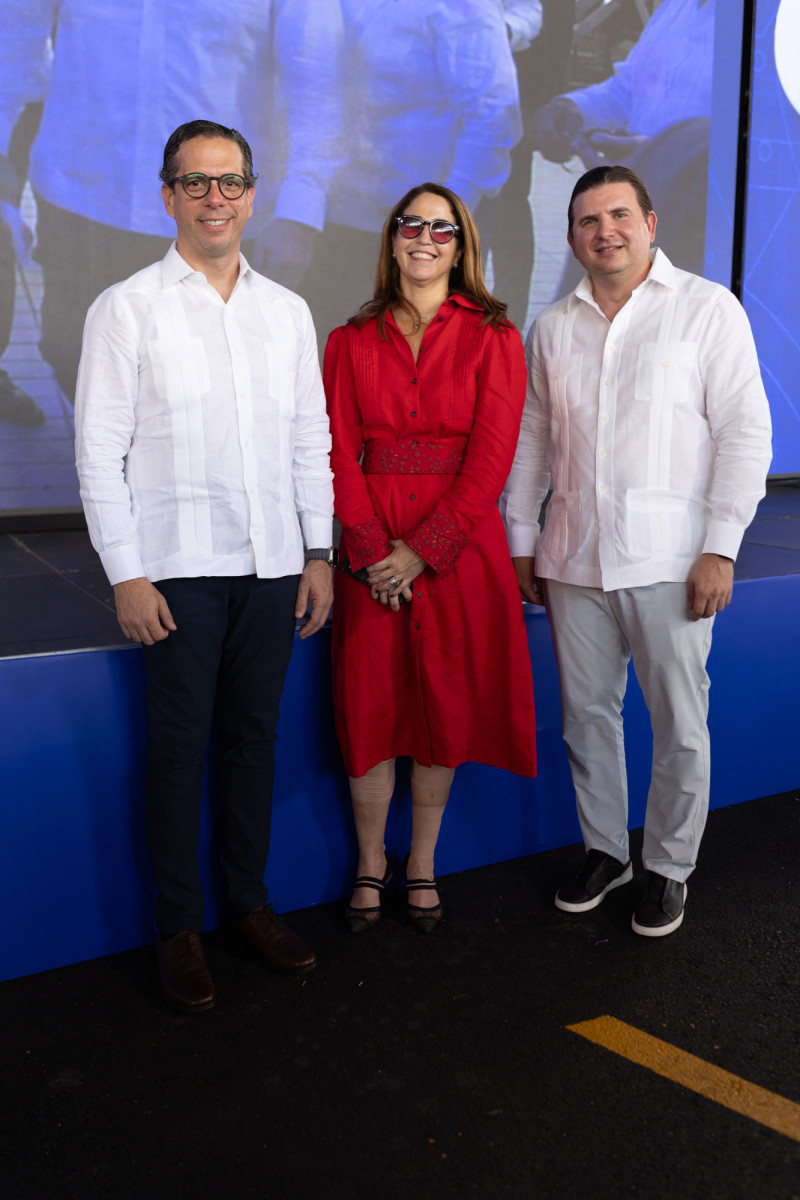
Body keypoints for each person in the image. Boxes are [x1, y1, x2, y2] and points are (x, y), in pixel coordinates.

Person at [74, 120, 335, 1011]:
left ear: (253, 195)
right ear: (168, 197)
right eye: (196, 185)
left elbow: (311, 442)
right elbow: (98, 452)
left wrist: (319, 551)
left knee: (252, 745)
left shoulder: (287, 311)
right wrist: (125, 572)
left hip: (270, 567)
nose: (215, 199)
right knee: (179, 755)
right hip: (175, 568)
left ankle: (249, 907)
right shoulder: (126, 307)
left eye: (230, 184)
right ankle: (179, 928)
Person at [502, 164, 772, 938]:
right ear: (572, 236)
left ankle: (667, 866)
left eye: (619, 215)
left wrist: (721, 547)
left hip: (671, 559)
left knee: (679, 723)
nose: (604, 231)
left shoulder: (706, 311)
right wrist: (524, 540)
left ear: (651, 223)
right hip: (573, 559)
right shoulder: (552, 327)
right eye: (588, 221)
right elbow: (533, 446)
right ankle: (604, 850)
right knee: (586, 718)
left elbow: (746, 435)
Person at [324, 182, 536, 936]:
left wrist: (425, 550)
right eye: (410, 224)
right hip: (372, 547)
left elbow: (493, 456)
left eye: (441, 229)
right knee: (370, 703)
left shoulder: (495, 335)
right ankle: (368, 862)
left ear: (461, 244)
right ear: (390, 239)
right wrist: (373, 548)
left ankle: (421, 862)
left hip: (455, 547)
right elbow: (335, 452)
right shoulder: (348, 340)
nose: (424, 237)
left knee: (443, 701)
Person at [532, 0, 715, 276]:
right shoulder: (676, 7)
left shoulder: (768, 22)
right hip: (637, 211)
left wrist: (660, 153)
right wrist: (573, 108)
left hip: (700, 230)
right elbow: (633, 88)